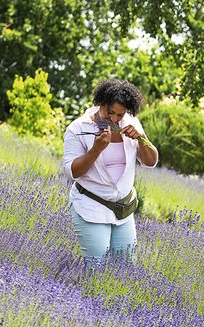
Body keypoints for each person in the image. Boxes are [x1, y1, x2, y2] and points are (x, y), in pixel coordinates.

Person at [62, 78, 158, 261]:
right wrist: (96, 149)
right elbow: (72, 172)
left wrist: (142, 139)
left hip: (123, 211)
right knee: (97, 268)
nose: (114, 119)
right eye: (110, 112)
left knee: (125, 269)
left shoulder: (131, 123)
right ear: (100, 104)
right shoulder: (77, 128)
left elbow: (150, 162)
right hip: (91, 208)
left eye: (120, 115)